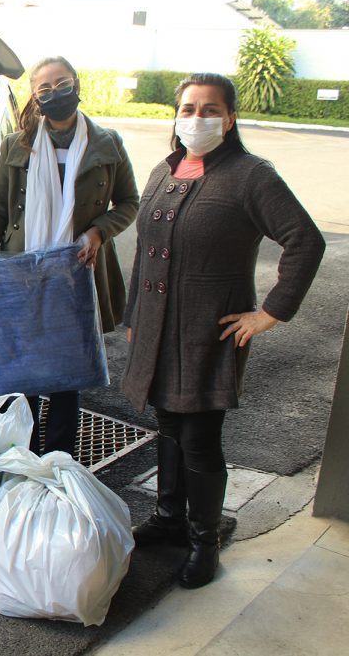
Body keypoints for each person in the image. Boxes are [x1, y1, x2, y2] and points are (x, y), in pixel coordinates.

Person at [123, 73, 325, 589]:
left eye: (209, 109)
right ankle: (169, 518)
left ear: (229, 118)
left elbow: (305, 240)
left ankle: (204, 538)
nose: (196, 118)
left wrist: (270, 312)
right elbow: (146, 256)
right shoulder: (165, 171)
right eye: (188, 108)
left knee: (199, 436)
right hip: (157, 327)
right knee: (167, 422)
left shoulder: (250, 175)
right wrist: (134, 320)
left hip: (205, 331)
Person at [0, 55, 139, 456]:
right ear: (34, 97)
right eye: (44, 88)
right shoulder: (16, 144)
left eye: (62, 84)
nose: (54, 93)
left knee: (66, 375)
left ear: (76, 84)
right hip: (20, 273)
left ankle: (58, 461)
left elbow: (129, 203)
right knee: (22, 371)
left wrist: (98, 231)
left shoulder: (107, 143)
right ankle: (23, 459)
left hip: (76, 272)